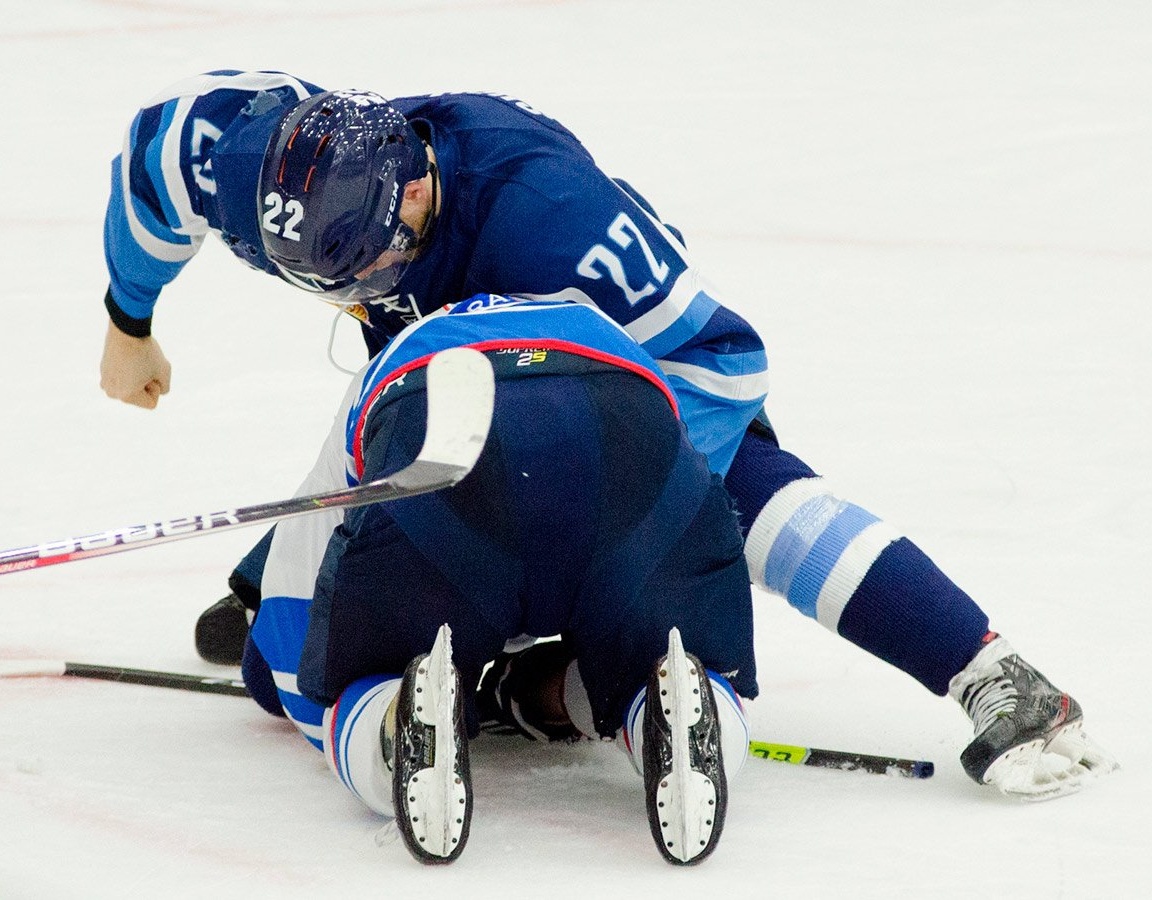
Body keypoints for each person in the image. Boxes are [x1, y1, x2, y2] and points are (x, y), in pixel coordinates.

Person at [100, 71, 1115, 800]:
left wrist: (644, 523)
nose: (366, 293)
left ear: (413, 188)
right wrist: (127, 322)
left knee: (739, 492)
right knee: (309, 598)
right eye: (338, 282)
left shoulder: (551, 222)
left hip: (616, 371)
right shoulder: (251, 151)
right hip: (454, 382)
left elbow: (725, 366)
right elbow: (151, 167)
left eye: (376, 266)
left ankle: (987, 671)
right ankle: (547, 670)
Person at [242, 293, 756, 864]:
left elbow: (291, 599)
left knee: (358, 688)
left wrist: (299, 690)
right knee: (656, 655)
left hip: (438, 434)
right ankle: (691, 713)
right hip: (624, 415)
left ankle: (391, 729)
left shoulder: (393, 352)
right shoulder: (596, 321)